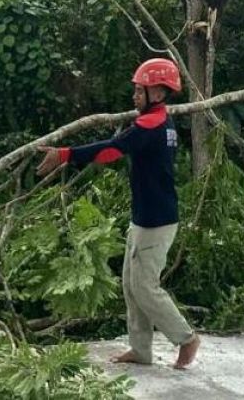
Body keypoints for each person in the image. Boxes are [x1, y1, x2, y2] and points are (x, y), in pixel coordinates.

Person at [36, 57, 200, 370]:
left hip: (155, 221)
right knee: (130, 284)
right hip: (147, 218)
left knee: (144, 287)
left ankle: (186, 339)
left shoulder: (150, 125)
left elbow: (111, 150)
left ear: (159, 93)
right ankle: (140, 350)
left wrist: (65, 155)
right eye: (136, 90)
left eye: (140, 90)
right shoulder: (162, 121)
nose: (135, 96)